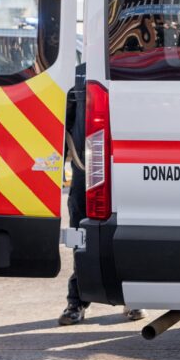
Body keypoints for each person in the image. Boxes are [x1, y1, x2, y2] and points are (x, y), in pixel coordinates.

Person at [58, 63, 144, 326]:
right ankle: (77, 300)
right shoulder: (81, 75)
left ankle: (132, 299)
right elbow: (64, 124)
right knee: (82, 238)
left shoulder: (139, 72)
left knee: (128, 235)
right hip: (87, 172)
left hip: (127, 168)